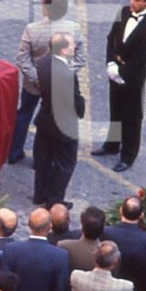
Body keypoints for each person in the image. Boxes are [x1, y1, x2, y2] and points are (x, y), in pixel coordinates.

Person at [8, 0, 85, 165]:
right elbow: (80, 59)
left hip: (33, 84)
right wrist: (61, 75)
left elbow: (22, 58)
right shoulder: (74, 29)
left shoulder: (32, 29)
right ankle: (41, 160)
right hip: (59, 87)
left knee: (25, 113)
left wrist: (38, 78)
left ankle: (14, 152)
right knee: (49, 119)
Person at [91, 0, 146, 172]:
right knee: (116, 110)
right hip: (115, 70)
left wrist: (122, 72)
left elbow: (142, 58)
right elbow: (111, 38)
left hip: (132, 78)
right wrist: (110, 63)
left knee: (132, 117)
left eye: (137, 0)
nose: (132, 2)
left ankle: (128, 155)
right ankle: (112, 145)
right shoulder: (123, 12)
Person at [32, 34, 85, 213]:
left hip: (46, 120)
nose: (74, 47)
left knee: (43, 159)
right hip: (64, 127)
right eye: (71, 45)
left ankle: (40, 194)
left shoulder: (43, 63)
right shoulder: (67, 74)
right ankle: (54, 201)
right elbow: (75, 101)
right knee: (65, 164)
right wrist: (81, 108)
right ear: (63, 50)